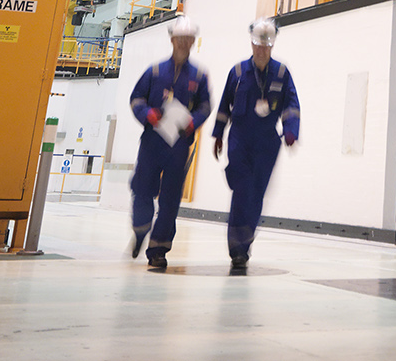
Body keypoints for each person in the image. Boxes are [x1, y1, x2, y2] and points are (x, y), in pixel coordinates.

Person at [213, 18, 299, 274]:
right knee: (242, 192)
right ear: (251, 43)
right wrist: (218, 134)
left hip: (266, 144)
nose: (261, 49)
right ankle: (236, 250)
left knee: (255, 196)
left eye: (266, 45)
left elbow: (291, 105)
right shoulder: (237, 73)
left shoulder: (281, 74)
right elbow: (223, 107)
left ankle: (244, 245)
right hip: (239, 140)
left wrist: (291, 131)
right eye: (257, 45)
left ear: (272, 45)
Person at [127, 16, 213, 271]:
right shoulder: (154, 72)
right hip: (153, 141)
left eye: (189, 39)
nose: (184, 43)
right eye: (180, 39)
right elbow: (136, 99)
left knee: (170, 199)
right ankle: (141, 230)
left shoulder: (199, 75)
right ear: (172, 39)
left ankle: (158, 250)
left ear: (192, 41)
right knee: (142, 189)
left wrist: (194, 121)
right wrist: (147, 115)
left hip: (178, 145)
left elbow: (206, 105)